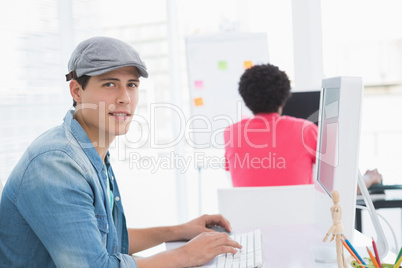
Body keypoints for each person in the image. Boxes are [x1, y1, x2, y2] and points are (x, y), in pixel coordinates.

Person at [0, 36, 241, 267]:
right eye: (110, 84)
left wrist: (180, 231)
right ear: (76, 91)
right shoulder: (55, 164)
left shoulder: (90, 152)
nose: (125, 98)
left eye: (132, 85)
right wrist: (186, 255)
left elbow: (108, 242)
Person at [224, 63, 318, 187]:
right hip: (297, 206)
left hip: (248, 206)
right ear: (284, 98)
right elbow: (333, 171)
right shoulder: (307, 130)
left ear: (246, 101)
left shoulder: (231, 133)